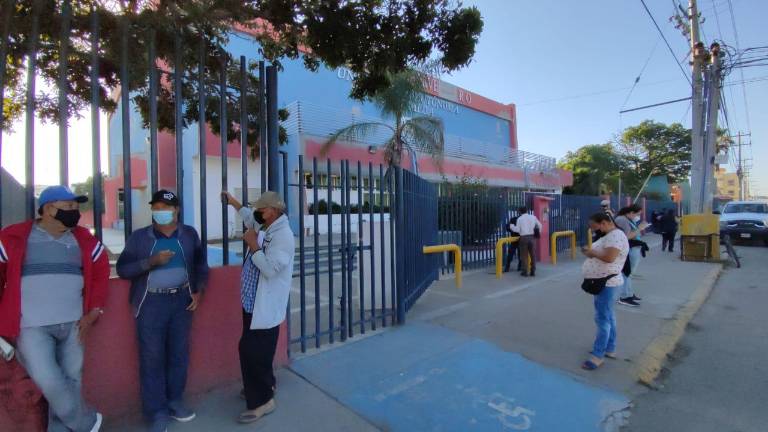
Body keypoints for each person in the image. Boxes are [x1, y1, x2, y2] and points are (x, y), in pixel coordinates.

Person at [0, 185, 109, 431]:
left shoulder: (84, 239)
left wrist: (94, 311)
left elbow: (101, 274)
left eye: (76, 207)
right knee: (48, 380)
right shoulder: (13, 237)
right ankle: (87, 422)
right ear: (48, 209)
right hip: (31, 326)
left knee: (72, 381)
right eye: (68, 206)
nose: (75, 212)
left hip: (73, 324)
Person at [116, 190, 209, 432]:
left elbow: (200, 264)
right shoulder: (140, 238)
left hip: (182, 302)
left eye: (166, 207)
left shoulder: (189, 235)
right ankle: (156, 412)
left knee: (179, 354)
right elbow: (123, 269)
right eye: (156, 207)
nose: (161, 212)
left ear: (176, 210)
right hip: (151, 304)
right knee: (152, 358)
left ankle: (175, 402)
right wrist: (150, 262)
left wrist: (198, 290)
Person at [223, 191, 294, 424]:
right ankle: (262, 386)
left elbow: (272, 269)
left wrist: (253, 246)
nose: (257, 212)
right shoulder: (267, 226)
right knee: (257, 351)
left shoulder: (283, 235)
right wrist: (233, 202)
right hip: (252, 302)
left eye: (261, 209)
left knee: (252, 352)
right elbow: (248, 218)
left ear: (273, 211)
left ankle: (263, 400)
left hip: (265, 305)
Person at [580, 212, 629, 371]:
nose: (595, 230)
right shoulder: (611, 235)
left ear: (604, 223)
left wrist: (592, 252)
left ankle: (598, 355)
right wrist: (589, 252)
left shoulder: (615, 236)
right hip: (605, 282)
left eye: (596, 227)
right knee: (608, 315)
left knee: (602, 319)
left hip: (607, 283)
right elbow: (603, 254)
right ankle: (610, 348)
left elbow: (609, 257)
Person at [613, 205, 647, 307]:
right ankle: (624, 296)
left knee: (628, 273)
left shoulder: (626, 219)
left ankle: (629, 294)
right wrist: (640, 228)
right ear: (631, 212)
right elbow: (626, 237)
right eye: (637, 214)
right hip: (629, 249)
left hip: (633, 248)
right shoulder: (622, 220)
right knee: (626, 273)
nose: (638, 216)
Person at [509, 206, 542, 277]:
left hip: (523, 238)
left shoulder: (520, 219)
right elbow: (540, 225)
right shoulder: (533, 217)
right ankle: (533, 270)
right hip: (532, 237)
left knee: (524, 256)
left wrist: (511, 226)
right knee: (533, 255)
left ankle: (525, 271)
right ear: (526, 210)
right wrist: (537, 233)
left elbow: (517, 230)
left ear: (520, 211)